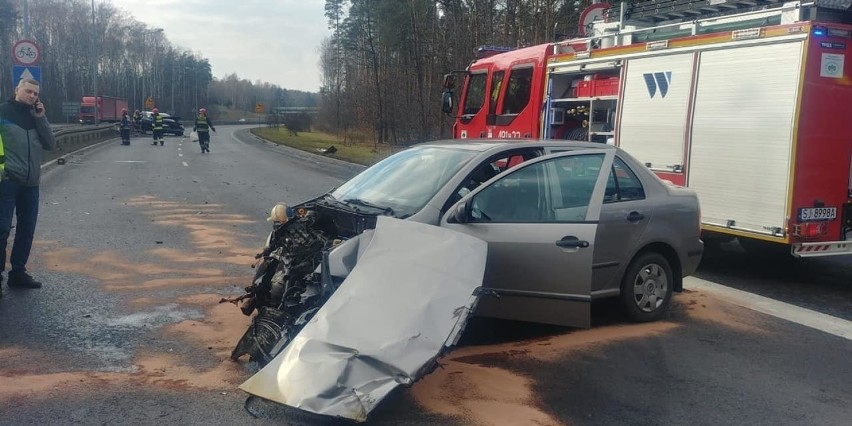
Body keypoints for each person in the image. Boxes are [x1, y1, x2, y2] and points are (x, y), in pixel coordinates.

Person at [0, 77, 56, 294]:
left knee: (26, 229)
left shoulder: (36, 116)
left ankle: (18, 273)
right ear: (17, 90)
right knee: (2, 229)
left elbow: (50, 144)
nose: (32, 96)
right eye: (28, 91)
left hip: (31, 183)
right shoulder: (3, 112)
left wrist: (41, 118)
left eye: (35, 93)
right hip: (8, 181)